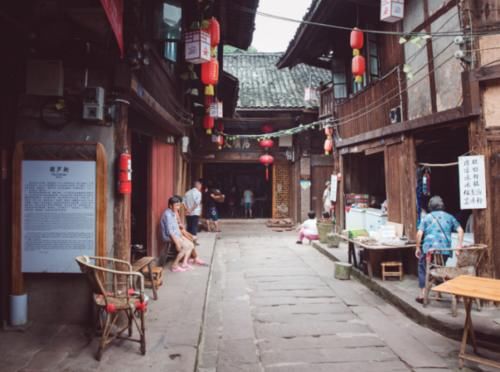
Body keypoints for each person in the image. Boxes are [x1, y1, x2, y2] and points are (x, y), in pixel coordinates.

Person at [415, 195, 464, 304]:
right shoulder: (450, 217)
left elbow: (419, 233)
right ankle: (438, 293)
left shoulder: (427, 217)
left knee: (423, 268)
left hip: (429, 250)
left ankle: (422, 294)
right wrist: (459, 247)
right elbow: (460, 230)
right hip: (445, 250)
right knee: (440, 268)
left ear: (430, 206)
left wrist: (417, 247)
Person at [160, 196, 195, 272]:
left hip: (177, 234)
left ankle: (184, 263)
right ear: (170, 205)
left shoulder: (173, 212)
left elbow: (175, 226)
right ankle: (174, 266)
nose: (178, 207)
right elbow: (170, 231)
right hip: (169, 236)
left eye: (179, 205)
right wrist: (177, 243)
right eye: (176, 206)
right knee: (185, 247)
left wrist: (180, 230)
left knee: (191, 244)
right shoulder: (167, 215)